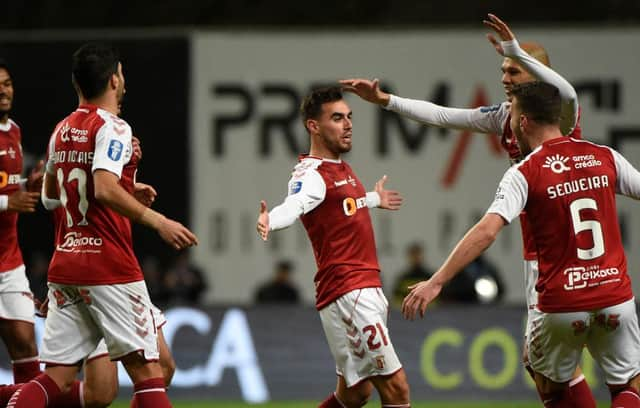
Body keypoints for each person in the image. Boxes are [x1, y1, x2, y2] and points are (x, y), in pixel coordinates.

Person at [340, 14, 595, 406]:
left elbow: (568, 93)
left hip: (566, 254)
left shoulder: (559, 115)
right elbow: (444, 115)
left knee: (558, 362)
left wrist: (517, 51)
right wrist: (386, 100)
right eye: (503, 69)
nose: (504, 77)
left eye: (513, 70)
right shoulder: (504, 118)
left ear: (537, 75)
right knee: (544, 368)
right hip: (538, 251)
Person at [403, 81, 640, 408]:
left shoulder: (525, 172)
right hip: (615, 297)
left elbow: (487, 232)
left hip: (561, 304)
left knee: (550, 385)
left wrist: (436, 281)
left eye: (512, 113)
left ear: (523, 121)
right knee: (629, 387)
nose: (509, 120)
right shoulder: (604, 156)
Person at [7, 43, 198, 408]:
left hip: (66, 263)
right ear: (115, 80)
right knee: (148, 372)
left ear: (77, 85)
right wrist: (159, 222)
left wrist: (126, 187)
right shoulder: (114, 127)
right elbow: (103, 188)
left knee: (57, 377)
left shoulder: (62, 130)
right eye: (122, 75)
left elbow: (51, 197)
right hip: (109, 264)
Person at [257, 87, 409, 408]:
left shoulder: (339, 168)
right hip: (349, 291)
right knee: (397, 389)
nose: (348, 124)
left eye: (349, 117)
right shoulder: (311, 174)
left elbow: (345, 205)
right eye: (337, 118)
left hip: (361, 287)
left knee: (355, 393)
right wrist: (272, 218)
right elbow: (295, 203)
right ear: (313, 126)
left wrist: (372, 199)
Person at [0, 58, 45, 385]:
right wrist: (7, 202)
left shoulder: (14, 130)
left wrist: (28, 187)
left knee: (27, 348)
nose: (3, 90)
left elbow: (7, 184)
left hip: (9, 263)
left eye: (7, 83)